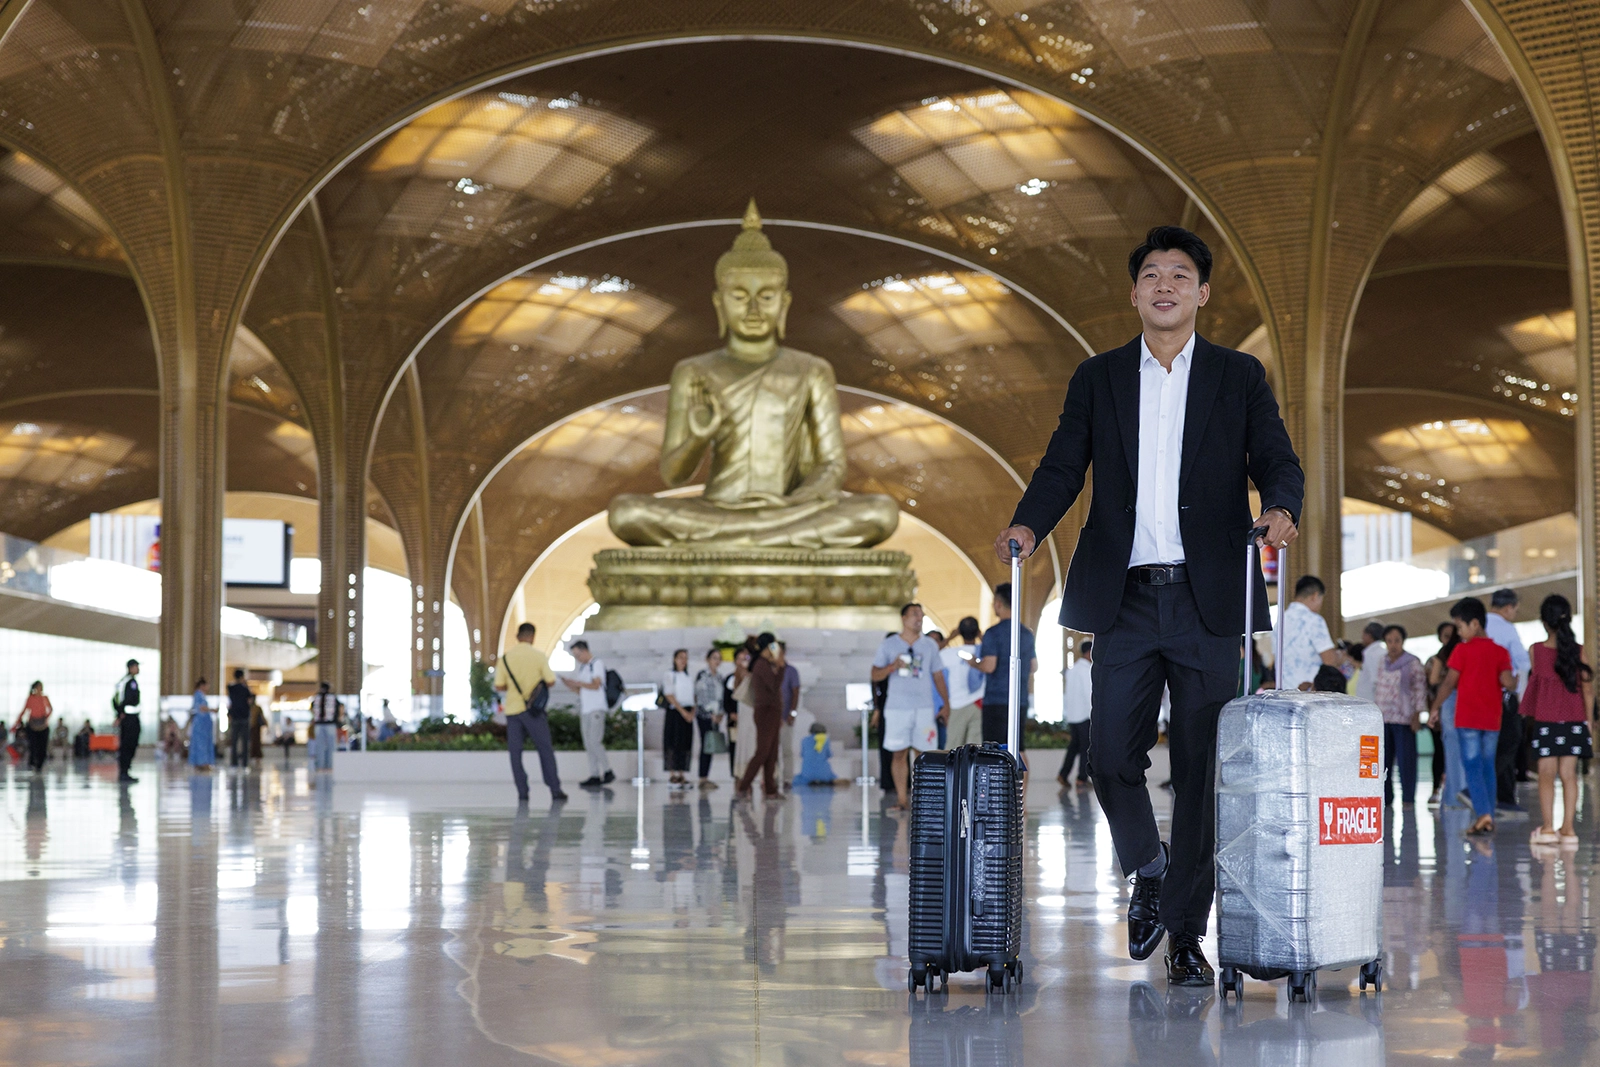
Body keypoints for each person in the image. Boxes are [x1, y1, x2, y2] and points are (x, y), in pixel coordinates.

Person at [993, 225, 1304, 987]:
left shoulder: (1239, 376)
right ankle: (1150, 868)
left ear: (1201, 292)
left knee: (1201, 772)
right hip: (1125, 596)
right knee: (1107, 754)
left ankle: (1187, 937)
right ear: (1133, 294)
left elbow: (1276, 457)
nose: (1165, 285)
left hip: (1210, 600)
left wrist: (1283, 505)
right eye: (1152, 275)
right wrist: (1029, 522)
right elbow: (1065, 463)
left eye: (1181, 274)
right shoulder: (1098, 378)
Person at [1431, 597, 1516, 836]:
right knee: (1488, 766)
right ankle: (1487, 815)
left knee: (1472, 767)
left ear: (1475, 624)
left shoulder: (1462, 650)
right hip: (1492, 719)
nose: (1458, 632)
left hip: (1468, 718)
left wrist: (1435, 707)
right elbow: (1507, 682)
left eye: (1460, 627)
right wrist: (1515, 680)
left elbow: (1449, 682)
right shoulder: (1500, 652)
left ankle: (1483, 815)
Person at [1520, 594, 1593, 847]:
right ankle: (1569, 831)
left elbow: (1536, 685)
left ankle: (1549, 829)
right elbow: (1587, 690)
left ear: (1544, 621)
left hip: (1547, 719)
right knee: (1569, 775)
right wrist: (1589, 722)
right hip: (1575, 719)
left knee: (1546, 774)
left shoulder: (1536, 651)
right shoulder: (1579, 651)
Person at [870, 604, 949, 810]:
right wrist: (891, 667)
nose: (919, 618)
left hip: (923, 707)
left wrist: (946, 703)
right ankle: (902, 799)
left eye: (921, 615)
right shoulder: (889, 644)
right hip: (897, 707)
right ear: (904, 618)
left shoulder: (930, 645)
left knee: (925, 753)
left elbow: (938, 675)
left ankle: (924, 800)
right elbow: (874, 674)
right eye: (915, 614)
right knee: (898, 753)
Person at [495, 621, 566, 803]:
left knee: (515, 752)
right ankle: (555, 789)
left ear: (518, 637)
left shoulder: (505, 658)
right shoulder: (539, 656)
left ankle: (523, 791)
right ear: (532, 637)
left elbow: (499, 686)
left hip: (513, 711)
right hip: (534, 712)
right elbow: (550, 681)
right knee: (545, 749)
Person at [1485, 588, 1531, 812]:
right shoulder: (1507, 628)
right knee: (1510, 742)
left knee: (1490, 745)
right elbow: (1522, 664)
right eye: (1515, 609)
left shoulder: (1479, 624)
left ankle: (1502, 798)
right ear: (1507, 607)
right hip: (1504, 696)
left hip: (1480, 696)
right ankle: (1501, 796)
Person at [976, 583, 1037, 751]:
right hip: (1020, 699)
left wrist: (974, 662)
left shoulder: (993, 633)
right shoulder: (1026, 633)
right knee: (1018, 749)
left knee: (994, 751)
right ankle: (1023, 779)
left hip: (996, 700)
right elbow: (1034, 666)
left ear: (998, 603)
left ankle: (998, 779)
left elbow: (989, 666)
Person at [1372, 625, 1427, 807]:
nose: (1393, 645)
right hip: (1383, 718)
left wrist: (1417, 715)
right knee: (1384, 761)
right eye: (1389, 641)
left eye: (1396, 640)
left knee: (1406, 761)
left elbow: (1419, 689)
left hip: (1404, 718)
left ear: (1403, 641)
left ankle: (1408, 798)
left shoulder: (1412, 662)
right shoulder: (1382, 661)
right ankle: (1386, 798)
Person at [735, 633, 787, 799]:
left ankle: (770, 789)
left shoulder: (764, 664)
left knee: (771, 752)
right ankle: (743, 786)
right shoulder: (761, 665)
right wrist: (781, 667)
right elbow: (773, 685)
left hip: (772, 710)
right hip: (766, 711)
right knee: (763, 751)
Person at [562, 640, 614, 788]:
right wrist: (571, 685)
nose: (577, 658)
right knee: (588, 743)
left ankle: (608, 770)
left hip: (596, 708)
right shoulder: (583, 668)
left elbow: (596, 685)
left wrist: (578, 684)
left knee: (594, 741)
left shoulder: (596, 664)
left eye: (578, 654)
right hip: (586, 709)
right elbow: (583, 690)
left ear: (584, 651)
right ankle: (594, 774)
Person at [1276, 576, 1342, 691]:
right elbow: (1329, 660)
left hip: (1284, 692)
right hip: (1309, 692)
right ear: (1315, 596)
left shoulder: (1279, 622)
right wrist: (1339, 657)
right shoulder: (1314, 620)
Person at [1429, 621, 1467, 808]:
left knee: (1451, 751)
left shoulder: (1442, 655)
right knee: (1464, 751)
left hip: (1448, 700)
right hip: (1459, 698)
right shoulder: (1462, 652)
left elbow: (1434, 679)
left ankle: (1453, 797)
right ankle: (1461, 795)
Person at [1424, 620, 1458, 806]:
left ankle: (1455, 792)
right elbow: (1431, 682)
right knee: (1440, 752)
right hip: (1439, 710)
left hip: (1454, 710)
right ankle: (1437, 789)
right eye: (1446, 635)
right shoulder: (1437, 658)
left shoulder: (1461, 654)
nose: (1449, 639)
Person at [940, 617, 985, 749]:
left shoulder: (950, 653)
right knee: (975, 750)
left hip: (957, 704)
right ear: (977, 632)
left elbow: (932, 652)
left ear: (959, 631)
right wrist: (982, 637)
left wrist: (949, 638)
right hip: (979, 704)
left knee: (953, 748)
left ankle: (954, 771)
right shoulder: (985, 651)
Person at [660, 648, 696, 788]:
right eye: (680, 657)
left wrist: (691, 712)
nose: (683, 661)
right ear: (675, 659)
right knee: (673, 742)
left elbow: (693, 696)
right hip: (676, 712)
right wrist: (682, 711)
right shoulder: (670, 675)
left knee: (684, 743)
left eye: (685, 658)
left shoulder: (688, 677)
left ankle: (682, 773)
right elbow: (669, 695)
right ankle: (672, 774)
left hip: (687, 712)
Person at [1059, 640, 1093, 787]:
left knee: (1074, 747)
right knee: (1086, 747)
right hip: (1084, 715)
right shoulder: (1086, 670)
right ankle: (1082, 778)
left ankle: (1063, 774)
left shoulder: (1072, 669)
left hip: (1073, 715)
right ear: (1089, 653)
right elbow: (1089, 693)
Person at [693, 649, 725, 790]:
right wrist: (710, 712)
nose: (716, 661)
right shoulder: (703, 675)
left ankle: (706, 776)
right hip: (705, 716)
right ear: (708, 659)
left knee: (711, 746)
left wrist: (720, 714)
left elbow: (722, 697)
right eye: (714, 658)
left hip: (716, 716)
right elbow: (701, 695)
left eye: (718, 658)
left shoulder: (719, 677)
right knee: (706, 745)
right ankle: (702, 777)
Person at [112, 658, 142, 783]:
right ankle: (123, 772)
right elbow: (117, 699)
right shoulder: (128, 682)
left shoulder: (129, 681)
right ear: (130, 668)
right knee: (127, 745)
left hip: (132, 718)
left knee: (131, 744)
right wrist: (120, 714)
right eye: (136, 666)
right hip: (129, 719)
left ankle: (126, 770)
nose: (138, 669)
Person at [777, 641, 801, 790]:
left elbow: (795, 692)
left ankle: (787, 779)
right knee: (771, 752)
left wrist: (792, 713)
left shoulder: (791, 671)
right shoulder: (770, 670)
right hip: (772, 718)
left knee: (786, 749)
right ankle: (773, 778)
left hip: (785, 717)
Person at [15, 681, 51, 774]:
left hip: (43, 725)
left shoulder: (45, 698)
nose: (40, 688)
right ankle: (32, 763)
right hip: (32, 725)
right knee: (33, 746)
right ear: (35, 688)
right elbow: (24, 710)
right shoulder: (30, 698)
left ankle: (39, 765)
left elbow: (50, 709)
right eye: (39, 687)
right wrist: (17, 723)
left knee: (42, 747)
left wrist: (45, 718)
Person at [793, 722, 843, 786]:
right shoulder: (826, 740)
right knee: (832, 776)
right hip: (824, 774)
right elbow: (829, 755)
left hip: (807, 774)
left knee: (798, 778)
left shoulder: (804, 740)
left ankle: (812, 781)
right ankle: (824, 781)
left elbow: (802, 754)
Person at [1352, 620, 1386, 703]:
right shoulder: (1381, 652)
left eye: (1363, 634)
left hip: (1370, 699)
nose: (1362, 637)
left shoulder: (1372, 654)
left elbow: (1375, 680)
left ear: (1369, 635)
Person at [309, 681, 340, 773]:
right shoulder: (332, 697)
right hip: (328, 724)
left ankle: (321, 766)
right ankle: (329, 766)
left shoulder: (317, 698)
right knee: (329, 745)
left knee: (321, 745)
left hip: (321, 724)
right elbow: (338, 710)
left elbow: (312, 708)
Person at [224, 669, 252, 769]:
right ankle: (244, 763)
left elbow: (229, 691)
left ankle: (234, 763)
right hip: (244, 717)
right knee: (245, 742)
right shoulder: (245, 689)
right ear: (242, 677)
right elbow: (249, 701)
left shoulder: (231, 688)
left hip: (234, 717)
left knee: (234, 742)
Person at [187, 679, 215, 772]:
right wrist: (212, 709)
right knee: (200, 743)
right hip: (200, 724)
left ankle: (201, 763)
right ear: (202, 685)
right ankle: (202, 763)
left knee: (203, 743)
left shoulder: (201, 695)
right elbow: (201, 708)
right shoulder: (198, 695)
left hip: (204, 724)